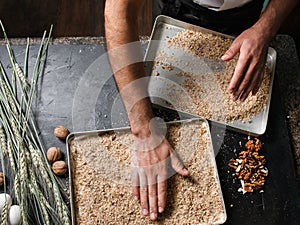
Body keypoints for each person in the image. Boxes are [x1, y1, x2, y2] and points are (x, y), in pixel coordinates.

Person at [104, 0, 298, 221]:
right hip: (183, 12)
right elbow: (118, 13)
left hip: (249, 15)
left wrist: (265, 27)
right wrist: (143, 129)